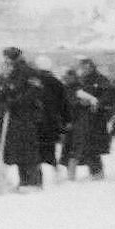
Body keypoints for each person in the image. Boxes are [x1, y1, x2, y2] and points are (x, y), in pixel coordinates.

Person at [0, 47, 45, 189]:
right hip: (15, 117)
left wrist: (14, 102)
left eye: (7, 58)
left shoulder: (28, 72)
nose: (5, 61)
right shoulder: (10, 73)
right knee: (21, 150)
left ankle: (32, 181)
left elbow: (33, 93)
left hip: (25, 116)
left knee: (27, 149)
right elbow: (6, 90)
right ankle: (27, 181)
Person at [64, 57, 115, 180]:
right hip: (82, 118)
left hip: (95, 119)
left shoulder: (100, 80)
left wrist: (97, 103)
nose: (83, 70)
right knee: (84, 146)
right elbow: (71, 96)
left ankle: (97, 171)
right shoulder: (80, 82)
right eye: (82, 67)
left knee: (92, 146)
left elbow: (109, 96)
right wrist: (79, 102)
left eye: (85, 67)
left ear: (91, 67)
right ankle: (93, 171)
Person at [32, 54, 70, 183]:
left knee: (36, 150)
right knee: (50, 149)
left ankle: (38, 176)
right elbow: (64, 103)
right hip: (52, 122)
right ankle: (54, 173)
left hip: (36, 121)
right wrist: (66, 120)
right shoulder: (57, 82)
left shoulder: (33, 82)